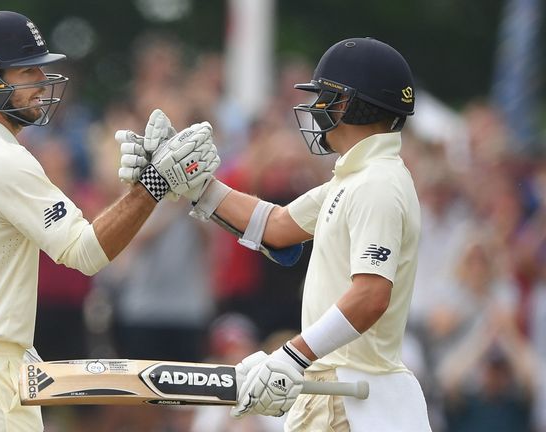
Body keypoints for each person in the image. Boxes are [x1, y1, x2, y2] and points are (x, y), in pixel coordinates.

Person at [0, 10, 219, 432]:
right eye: (27, 70)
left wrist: (3, 341)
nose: (41, 81)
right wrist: (154, 184)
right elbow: (85, 252)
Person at [119, 37, 430, 431]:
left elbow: (371, 295)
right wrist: (194, 183)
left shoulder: (378, 184)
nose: (317, 110)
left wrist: (291, 356)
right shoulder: (356, 178)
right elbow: (277, 227)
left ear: (351, 104)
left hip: (352, 398)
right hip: (336, 388)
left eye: (326, 98)